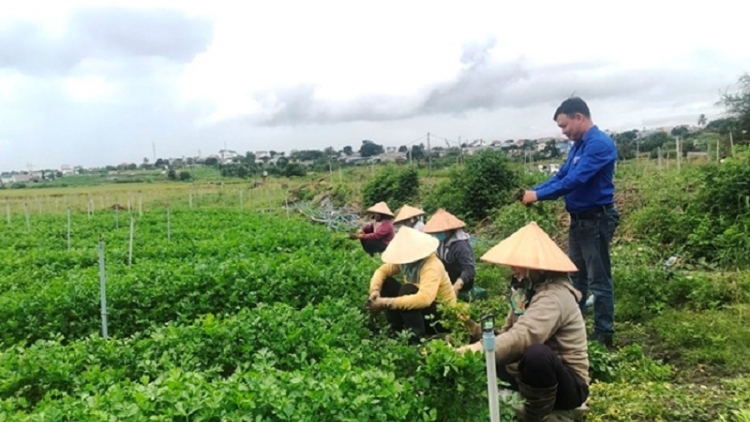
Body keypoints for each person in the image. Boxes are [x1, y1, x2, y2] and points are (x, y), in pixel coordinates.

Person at [456, 222, 589, 422]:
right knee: (487, 363)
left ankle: (538, 416)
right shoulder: (525, 291)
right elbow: (508, 333)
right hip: (525, 374)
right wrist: (474, 330)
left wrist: (475, 350)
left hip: (566, 383)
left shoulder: (554, 296)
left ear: (535, 266)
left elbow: (523, 337)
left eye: (518, 264)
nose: (513, 270)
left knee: (537, 354)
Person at [521, 97, 619, 348]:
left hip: (596, 219)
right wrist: (535, 191)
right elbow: (561, 175)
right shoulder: (578, 145)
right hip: (579, 221)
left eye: (565, 126)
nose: (564, 132)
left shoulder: (598, 144)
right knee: (576, 276)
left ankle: (604, 334)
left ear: (579, 117)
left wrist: (539, 195)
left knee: (599, 278)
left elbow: (575, 180)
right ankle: (573, 323)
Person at [366, 226, 457, 344]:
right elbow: (382, 271)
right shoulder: (406, 263)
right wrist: (375, 291)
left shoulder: (431, 266)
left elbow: (424, 299)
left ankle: (416, 338)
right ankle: (396, 330)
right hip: (422, 311)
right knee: (386, 282)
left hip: (440, 318)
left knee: (407, 290)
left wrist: (385, 302)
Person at [422, 209, 476, 297]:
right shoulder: (441, 241)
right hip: (447, 275)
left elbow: (469, 269)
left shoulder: (460, 245)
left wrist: (457, 285)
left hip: (461, 279)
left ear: (450, 230)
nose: (437, 234)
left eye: (440, 232)